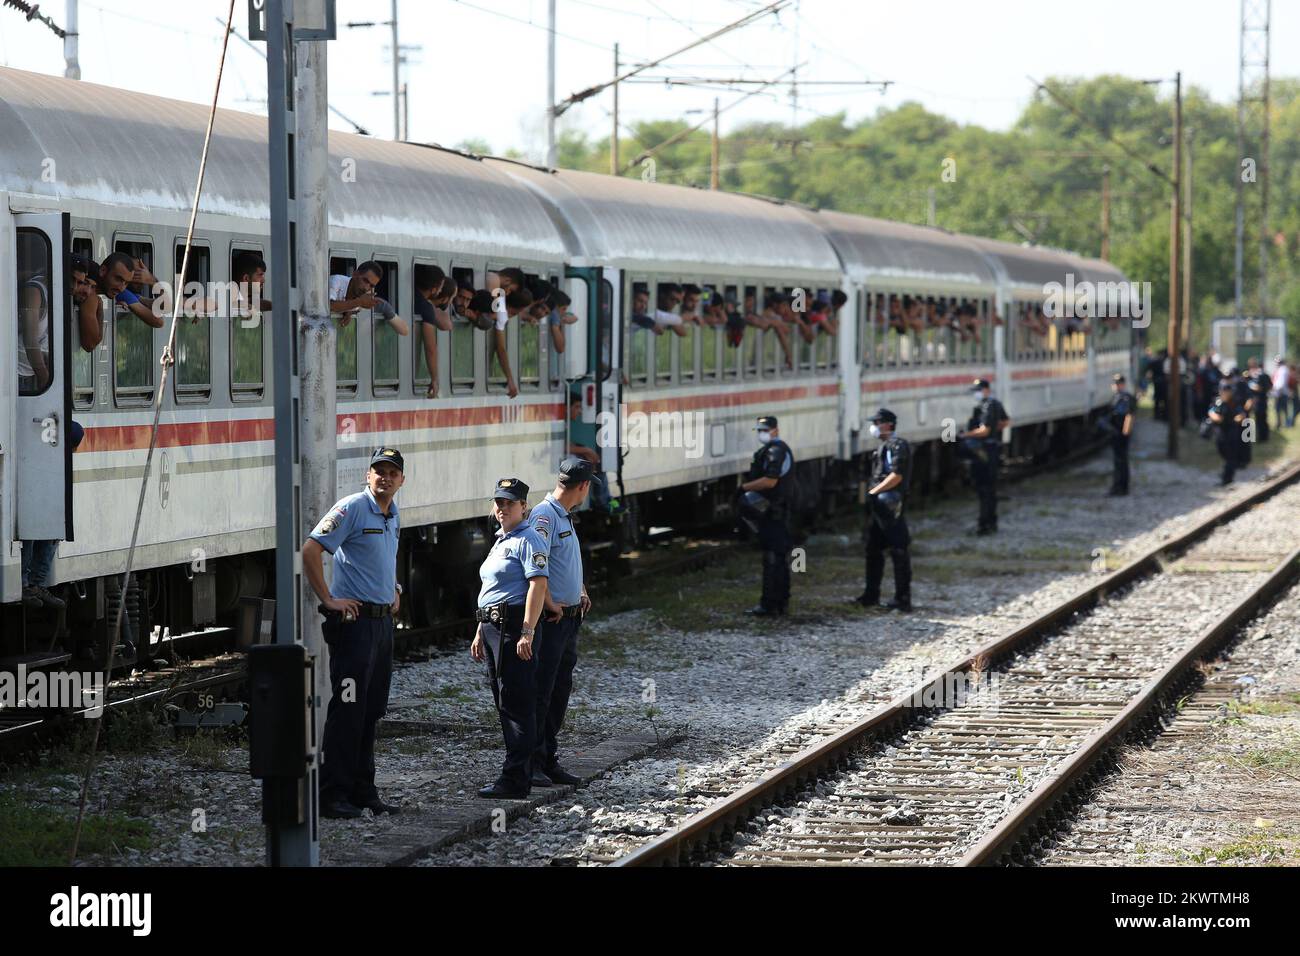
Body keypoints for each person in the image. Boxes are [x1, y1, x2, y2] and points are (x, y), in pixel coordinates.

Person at [302, 447, 405, 819]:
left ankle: (364, 791)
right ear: (368, 475)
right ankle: (332, 794)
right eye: (379, 471)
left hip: (381, 625)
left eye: (392, 473)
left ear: (401, 480)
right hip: (355, 626)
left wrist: (394, 589)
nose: (385, 477)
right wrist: (328, 598)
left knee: (371, 709)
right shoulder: (351, 508)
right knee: (347, 709)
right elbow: (311, 550)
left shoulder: (392, 514)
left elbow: (382, 559)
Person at [471, 478, 551, 799]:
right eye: (499, 503)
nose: (502, 508)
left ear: (524, 507)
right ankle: (515, 773)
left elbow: (538, 585)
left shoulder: (528, 538)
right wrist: (480, 630)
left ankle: (517, 778)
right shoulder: (502, 540)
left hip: (514, 627)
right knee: (505, 701)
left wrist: (527, 631)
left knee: (517, 704)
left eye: (509, 503)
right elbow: (492, 590)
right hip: (494, 627)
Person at [528, 458, 596, 788]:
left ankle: (548, 757)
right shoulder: (544, 516)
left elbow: (562, 561)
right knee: (543, 690)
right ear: (583, 486)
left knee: (558, 690)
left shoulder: (563, 516)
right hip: (553, 618)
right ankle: (533, 760)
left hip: (569, 617)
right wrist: (551, 601)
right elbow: (536, 564)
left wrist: (579, 589)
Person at [854, 408, 912, 612]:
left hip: (891, 506)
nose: (874, 427)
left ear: (888, 424)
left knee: (898, 550)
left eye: (877, 423)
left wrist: (874, 491)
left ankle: (902, 599)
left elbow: (896, 475)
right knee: (873, 550)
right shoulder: (884, 447)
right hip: (879, 507)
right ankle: (871, 595)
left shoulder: (897, 446)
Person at [741, 415, 795, 616]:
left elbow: (770, 481)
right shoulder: (774, 450)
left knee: (774, 558)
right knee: (777, 557)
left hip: (775, 512)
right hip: (775, 511)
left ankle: (771, 604)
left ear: (775, 430)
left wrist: (744, 488)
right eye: (760, 430)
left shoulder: (776, 451)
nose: (762, 433)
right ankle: (779, 603)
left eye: (765, 429)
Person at [959, 379, 1010, 535]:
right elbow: (1006, 421)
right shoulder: (995, 403)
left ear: (986, 390)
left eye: (978, 390)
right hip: (992, 448)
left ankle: (984, 525)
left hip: (985, 451)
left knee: (984, 489)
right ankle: (991, 523)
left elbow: (984, 431)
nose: (976, 394)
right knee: (990, 489)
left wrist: (964, 435)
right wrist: (995, 430)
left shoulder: (987, 405)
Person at [329, 261, 409, 336]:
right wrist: (359, 302)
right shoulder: (336, 281)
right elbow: (330, 305)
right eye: (365, 281)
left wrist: (349, 312)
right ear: (355, 274)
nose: (366, 287)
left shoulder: (364, 297)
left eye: (371, 286)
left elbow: (405, 331)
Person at [1208, 381, 1247, 486]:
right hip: (1220, 432)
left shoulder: (1234, 402)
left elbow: (1242, 414)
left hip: (1231, 431)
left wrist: (1237, 419)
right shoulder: (1217, 401)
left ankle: (1227, 478)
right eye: (1223, 391)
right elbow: (1211, 411)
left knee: (1231, 456)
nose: (1224, 393)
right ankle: (1227, 473)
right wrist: (1215, 417)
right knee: (1222, 451)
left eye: (1226, 391)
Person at [1107, 373, 1135, 496]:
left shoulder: (1124, 398)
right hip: (1117, 431)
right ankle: (1120, 486)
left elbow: (1127, 416)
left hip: (1121, 433)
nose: (1116, 386)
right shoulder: (1118, 397)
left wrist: (1124, 433)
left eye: (1118, 383)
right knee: (1119, 460)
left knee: (1121, 461)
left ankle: (1120, 487)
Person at [1272, 355, 1291, 430]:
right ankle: (1279, 423)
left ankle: (1286, 423)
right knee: (1278, 409)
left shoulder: (1283, 370)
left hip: (1281, 393)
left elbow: (1281, 383)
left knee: (1283, 409)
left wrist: (1278, 391)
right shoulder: (1279, 369)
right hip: (1278, 393)